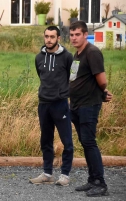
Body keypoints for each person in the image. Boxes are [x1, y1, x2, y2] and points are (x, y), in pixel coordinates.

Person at [69, 21, 112, 197]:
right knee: (85, 142)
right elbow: (74, 77)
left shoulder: (92, 53)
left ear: (86, 34)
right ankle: (92, 179)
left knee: (89, 142)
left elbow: (101, 80)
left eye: (77, 34)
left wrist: (103, 91)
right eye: (71, 35)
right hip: (76, 105)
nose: (74, 38)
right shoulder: (77, 54)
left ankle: (101, 184)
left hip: (89, 105)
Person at [30, 26, 74, 186]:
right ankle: (47, 173)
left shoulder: (68, 57)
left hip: (60, 104)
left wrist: (65, 94)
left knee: (67, 141)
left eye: (52, 37)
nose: (49, 40)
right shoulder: (38, 58)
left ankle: (65, 175)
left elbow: (73, 78)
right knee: (45, 140)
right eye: (46, 36)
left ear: (58, 38)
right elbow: (41, 76)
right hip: (44, 104)